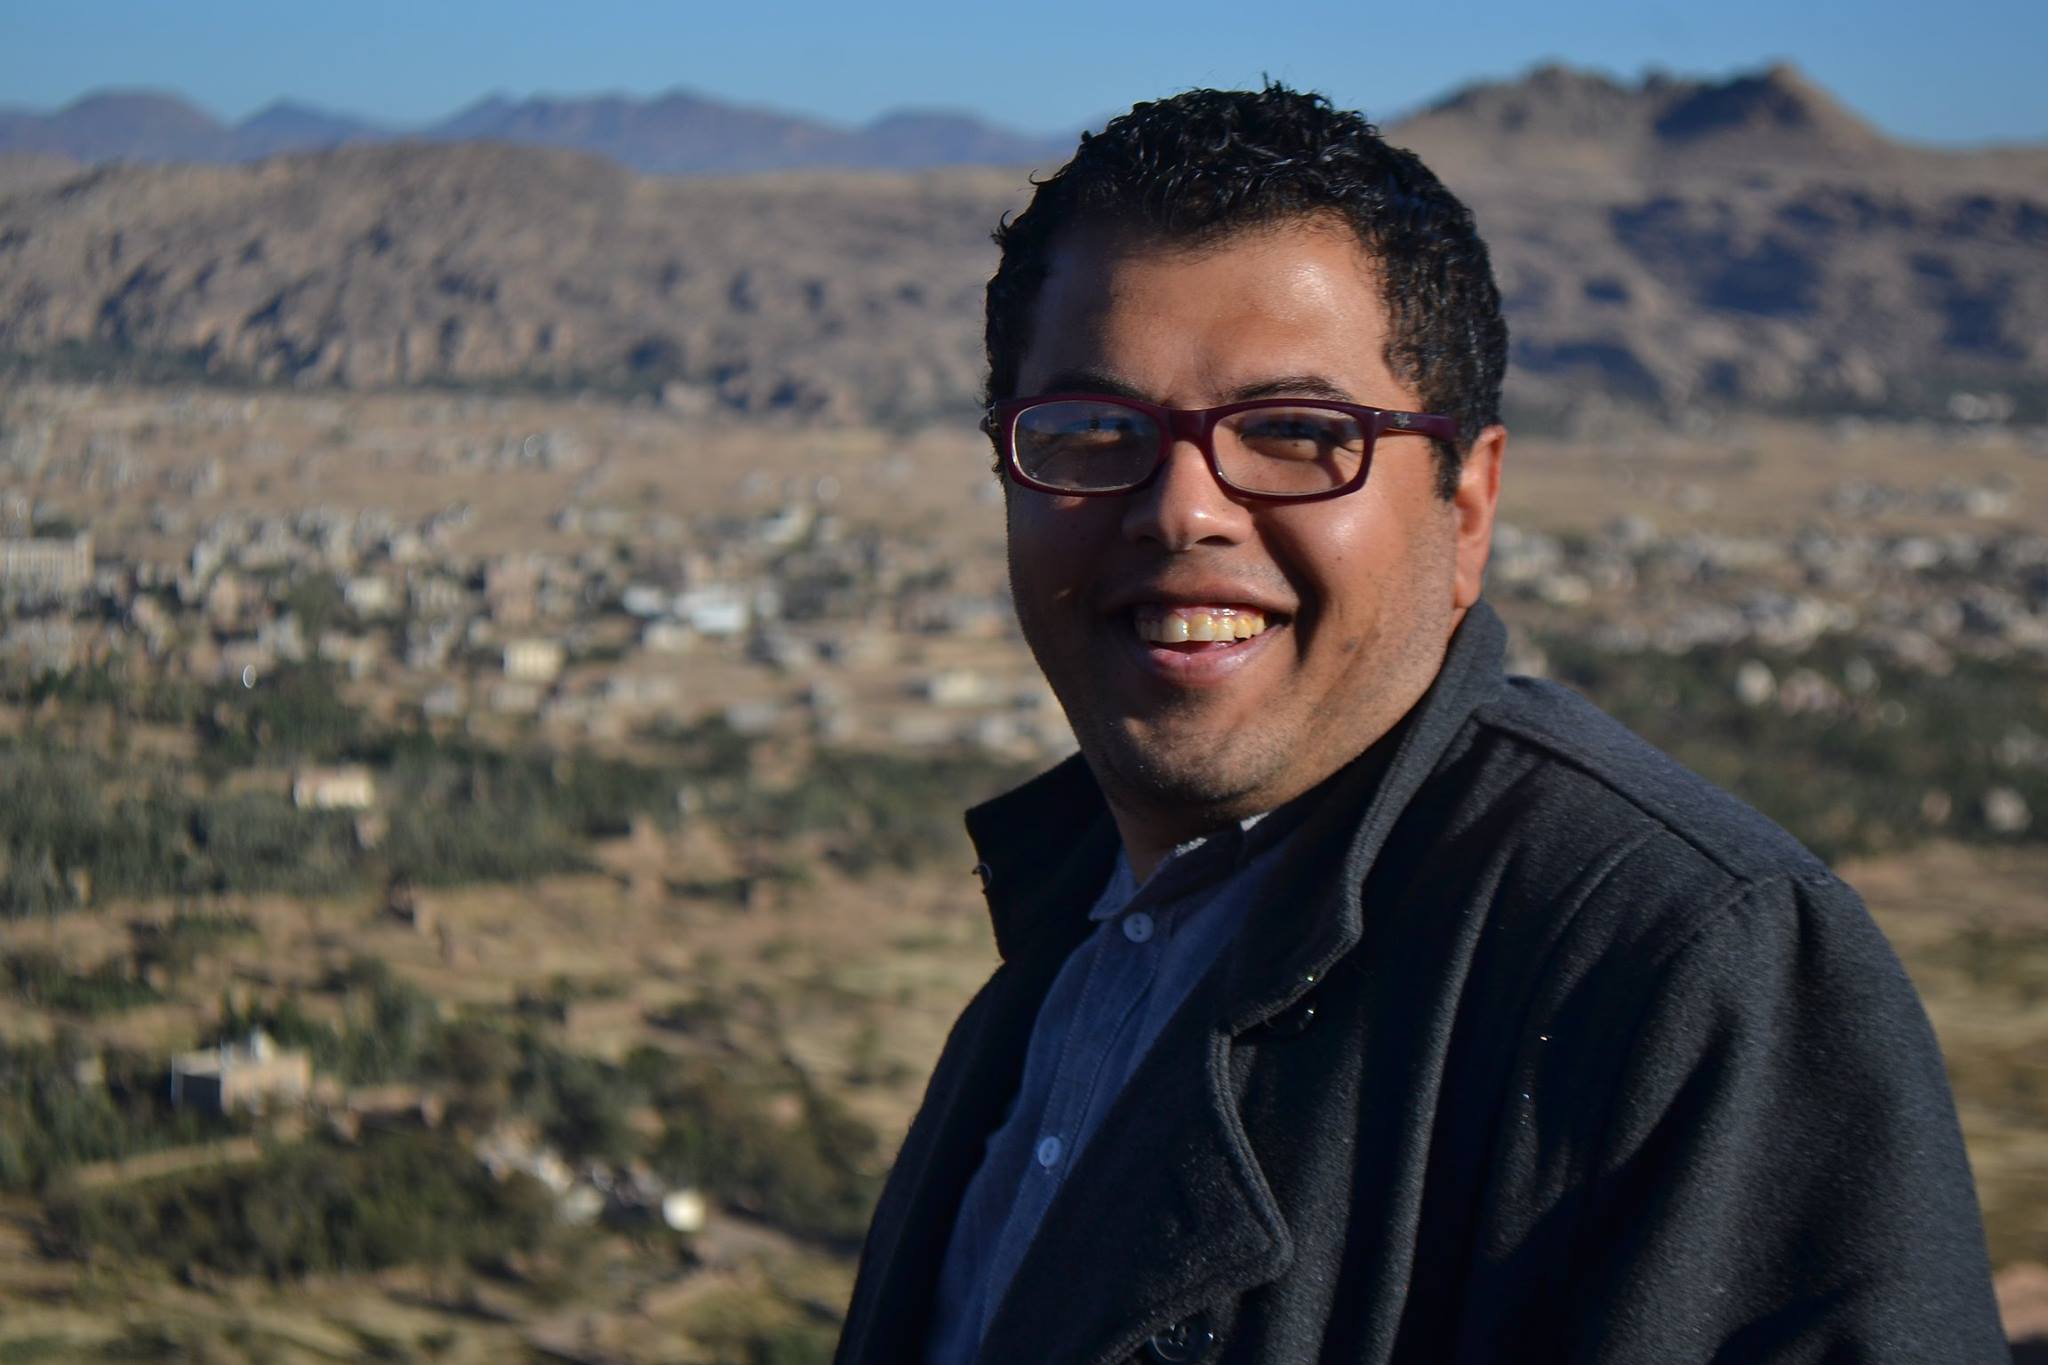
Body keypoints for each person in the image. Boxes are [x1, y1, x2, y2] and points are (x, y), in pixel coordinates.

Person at [833, 85, 2007, 1365]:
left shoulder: (1677, 971)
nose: (1181, 510)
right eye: (1094, 430)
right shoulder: (1075, 927)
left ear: (1468, 505)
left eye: (1295, 432)